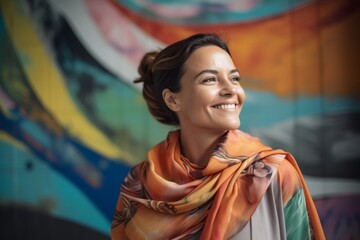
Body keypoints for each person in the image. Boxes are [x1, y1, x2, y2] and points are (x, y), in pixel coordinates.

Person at [110, 33, 325, 240]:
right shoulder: (140, 183)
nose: (231, 89)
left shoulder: (273, 176)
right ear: (173, 100)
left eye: (234, 78)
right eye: (210, 79)